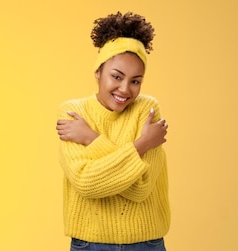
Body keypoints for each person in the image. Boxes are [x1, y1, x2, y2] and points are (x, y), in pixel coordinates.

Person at [55, 12, 170, 251]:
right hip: (90, 244)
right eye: (116, 76)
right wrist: (142, 144)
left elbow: (140, 188)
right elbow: (86, 183)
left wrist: (90, 138)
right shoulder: (73, 112)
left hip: (146, 244)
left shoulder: (147, 110)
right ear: (98, 72)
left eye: (136, 81)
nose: (125, 89)